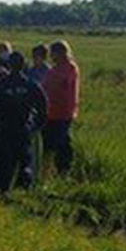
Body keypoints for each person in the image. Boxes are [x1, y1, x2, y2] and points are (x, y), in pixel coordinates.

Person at [0, 50, 47, 191]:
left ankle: (3, 190)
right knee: (25, 161)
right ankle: (26, 189)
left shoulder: (0, 86)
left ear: (9, 65)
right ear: (23, 65)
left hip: (4, 130)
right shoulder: (31, 85)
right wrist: (35, 126)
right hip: (23, 128)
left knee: (5, 163)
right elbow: (43, 108)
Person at [42, 39, 79, 174]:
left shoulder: (69, 68)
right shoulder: (55, 69)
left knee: (62, 144)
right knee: (49, 143)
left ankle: (64, 170)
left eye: (53, 53)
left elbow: (57, 85)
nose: (51, 56)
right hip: (51, 111)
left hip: (63, 112)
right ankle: (49, 169)